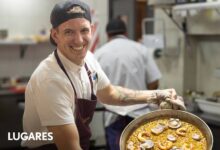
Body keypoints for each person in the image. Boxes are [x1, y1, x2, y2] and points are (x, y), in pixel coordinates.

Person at [22, 0, 185, 150]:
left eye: (84, 30)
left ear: (92, 30)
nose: (79, 40)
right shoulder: (50, 80)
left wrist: (157, 95)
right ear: (55, 35)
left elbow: (111, 94)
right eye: (69, 32)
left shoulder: (89, 60)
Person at [95, 18, 162, 150]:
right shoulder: (141, 49)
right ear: (126, 32)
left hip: (113, 116)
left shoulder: (99, 54)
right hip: (140, 114)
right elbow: (154, 81)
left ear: (107, 35)